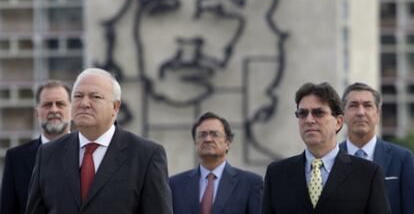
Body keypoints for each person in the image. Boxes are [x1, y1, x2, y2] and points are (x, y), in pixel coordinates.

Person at [98, 0, 288, 161]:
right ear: (128, 29)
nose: (189, 34)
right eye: (162, 9)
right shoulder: (105, 170)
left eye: (217, 11)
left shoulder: (272, 180)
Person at [25, 68, 172, 213]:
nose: (84, 103)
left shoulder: (146, 156)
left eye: (95, 97)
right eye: (78, 96)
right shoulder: (48, 154)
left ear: (115, 107)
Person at [262, 82, 391, 214]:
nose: (309, 120)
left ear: (338, 122)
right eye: (303, 113)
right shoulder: (277, 174)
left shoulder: (368, 174)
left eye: (318, 113)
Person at [340, 82, 414, 214]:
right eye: (353, 105)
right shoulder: (329, 158)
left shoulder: (403, 159)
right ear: (343, 115)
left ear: (378, 114)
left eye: (367, 105)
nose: (361, 112)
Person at [169, 112, 263, 214]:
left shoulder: (250, 183)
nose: (208, 139)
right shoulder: (175, 185)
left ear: (227, 143)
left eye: (214, 134)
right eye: (202, 135)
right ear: (195, 142)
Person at [0, 80, 71, 214]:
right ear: (36, 112)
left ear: (72, 109)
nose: (54, 110)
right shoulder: (15, 158)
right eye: (47, 104)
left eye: (60, 104)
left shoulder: (86, 152)